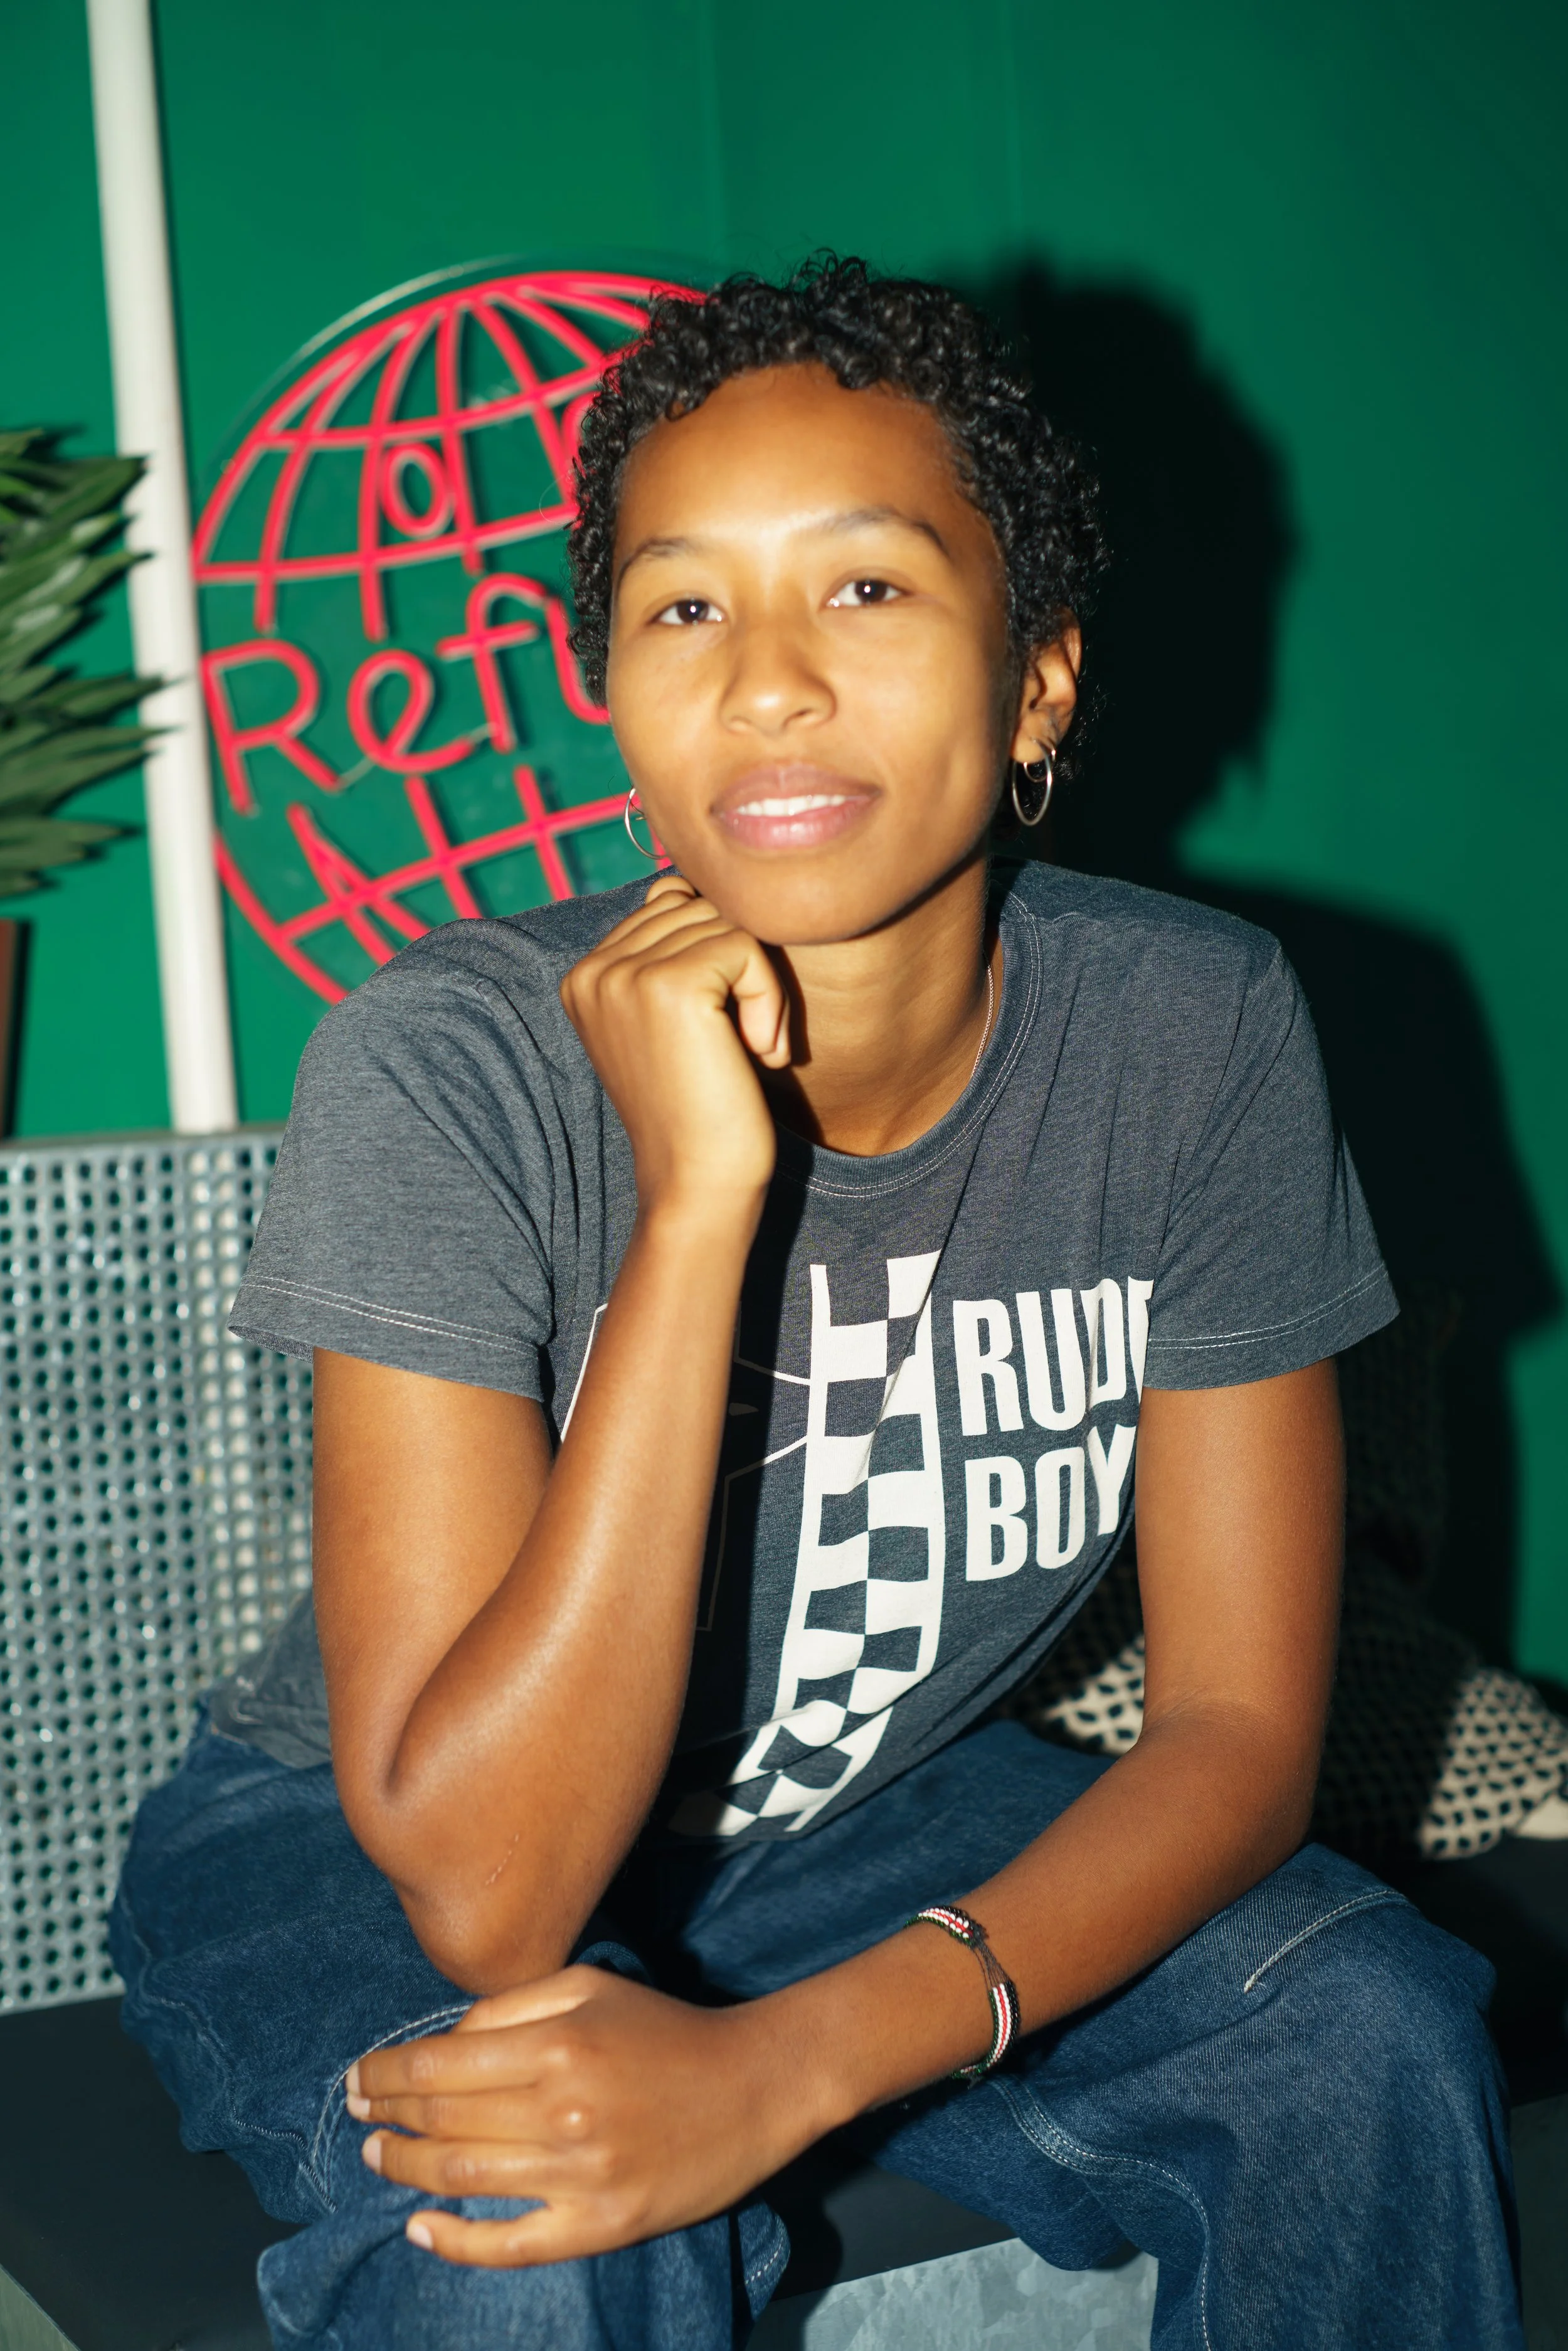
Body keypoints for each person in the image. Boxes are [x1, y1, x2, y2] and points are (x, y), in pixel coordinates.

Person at [110, 260, 1523, 2350]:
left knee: (1364, 2026)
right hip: (361, 1836)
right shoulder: (451, 1064)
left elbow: (1235, 1732)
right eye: (682, 606)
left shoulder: (1194, 1035)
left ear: (1036, 679)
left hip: (866, 1808)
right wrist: (702, 1208)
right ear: (607, 688)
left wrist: (793, 2056)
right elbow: (491, 1895)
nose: (765, 683)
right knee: (536, 2210)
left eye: (863, 589)